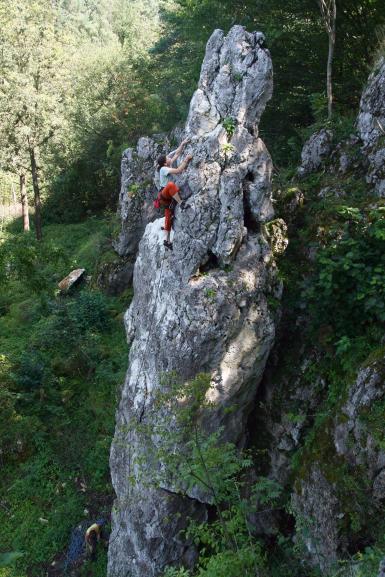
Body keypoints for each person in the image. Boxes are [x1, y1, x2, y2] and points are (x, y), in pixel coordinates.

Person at [156, 138, 193, 250]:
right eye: (167, 158)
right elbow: (178, 171)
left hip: (166, 198)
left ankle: (167, 241)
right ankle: (181, 203)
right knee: (171, 184)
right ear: (164, 162)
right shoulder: (163, 169)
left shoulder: (166, 165)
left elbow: (177, 153)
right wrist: (186, 160)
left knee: (168, 217)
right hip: (165, 193)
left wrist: (182, 143)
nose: (169, 158)